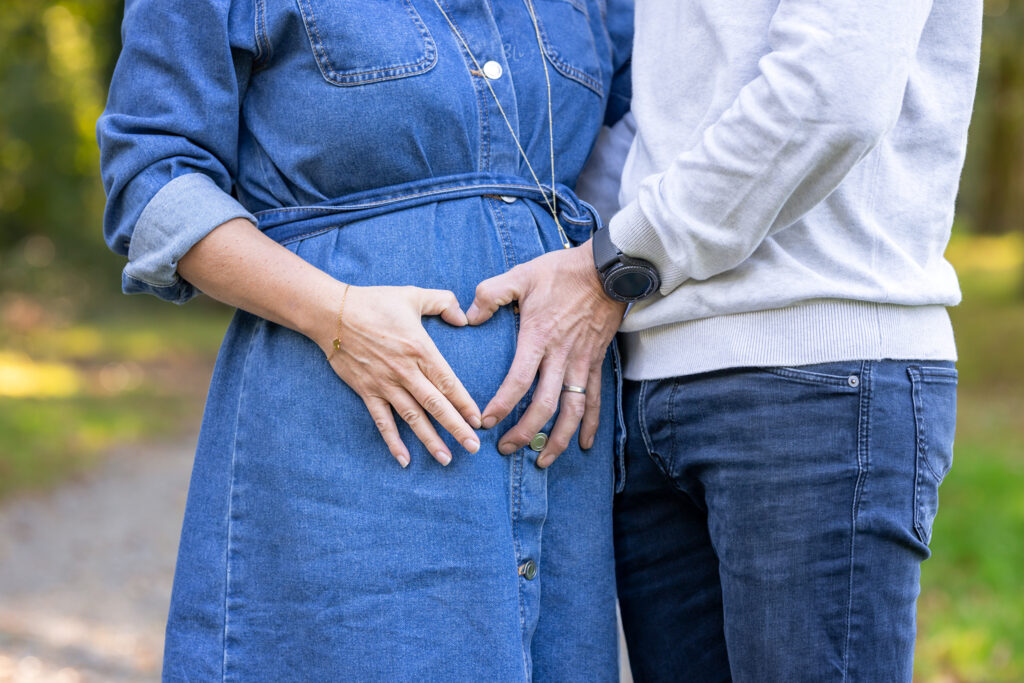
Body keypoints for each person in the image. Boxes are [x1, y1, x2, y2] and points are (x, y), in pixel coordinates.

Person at [97, 0, 631, 678]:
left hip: (562, 455)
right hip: (340, 451)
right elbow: (151, 179)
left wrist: (608, 275)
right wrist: (336, 314)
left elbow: (647, 141)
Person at [476, 0, 983, 680]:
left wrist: (616, 263)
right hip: (649, 375)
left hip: (816, 368)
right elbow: (660, 115)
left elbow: (833, 90)